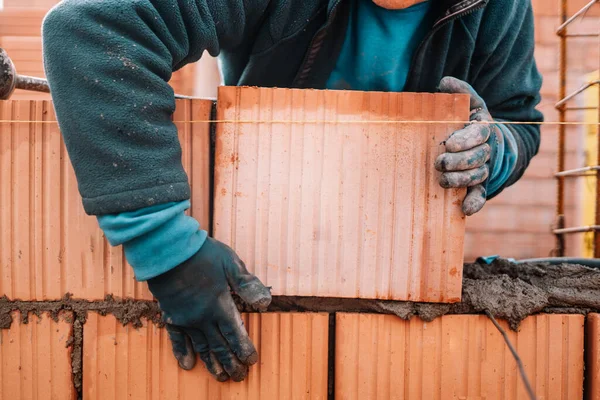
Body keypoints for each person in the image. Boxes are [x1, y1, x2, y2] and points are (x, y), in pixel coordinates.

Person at [41, 0, 542, 383]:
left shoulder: (499, 7)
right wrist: (167, 248)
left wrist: (493, 152)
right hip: (263, 242)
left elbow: (519, 117)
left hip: (402, 255)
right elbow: (90, 32)